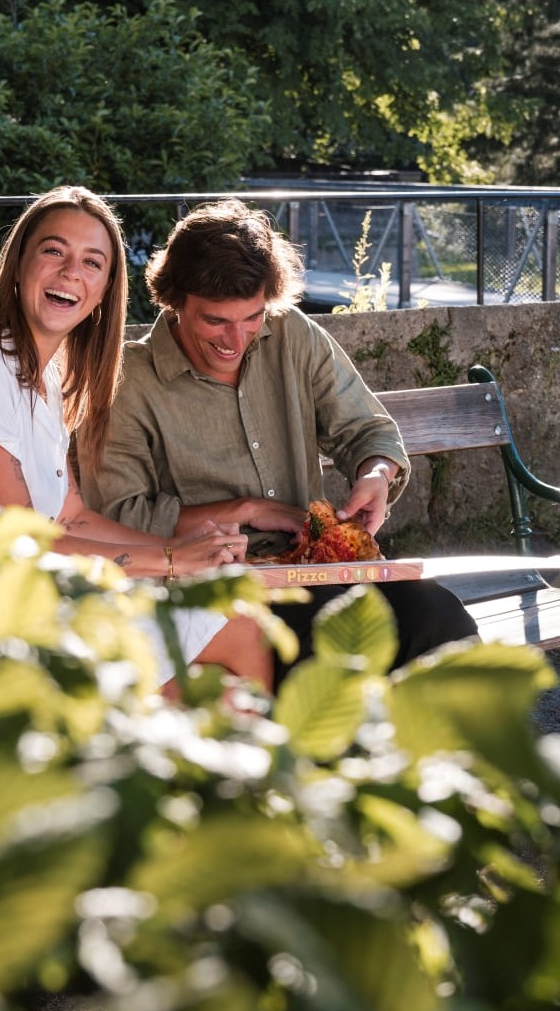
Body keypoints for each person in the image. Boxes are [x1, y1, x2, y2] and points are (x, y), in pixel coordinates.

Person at [0, 186, 273, 691]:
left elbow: (71, 517)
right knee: (237, 629)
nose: (72, 272)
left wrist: (183, 548)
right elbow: (20, 539)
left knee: (227, 679)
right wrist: (169, 560)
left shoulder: (46, 377)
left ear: (103, 291)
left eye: (92, 262)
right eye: (54, 251)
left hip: (34, 588)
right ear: (18, 264)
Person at [84, 198, 478, 674]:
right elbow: (120, 516)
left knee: (440, 617)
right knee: (326, 652)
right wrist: (246, 510)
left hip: (318, 568)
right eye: (215, 321)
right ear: (174, 300)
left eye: (252, 317)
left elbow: (366, 429)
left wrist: (376, 472)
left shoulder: (292, 333)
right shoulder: (127, 380)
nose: (236, 339)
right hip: (215, 588)